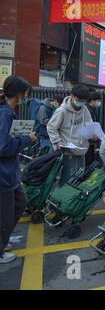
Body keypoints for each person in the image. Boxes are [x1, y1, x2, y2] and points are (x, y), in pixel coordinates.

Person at [0, 75, 38, 264]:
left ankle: (4, 239)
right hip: (3, 175)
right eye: (25, 93)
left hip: (10, 174)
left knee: (20, 203)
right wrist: (26, 139)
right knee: (5, 215)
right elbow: (3, 146)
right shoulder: (5, 113)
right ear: (19, 93)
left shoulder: (8, 111)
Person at [47, 84, 93, 186]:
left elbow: (89, 125)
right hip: (67, 151)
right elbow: (51, 127)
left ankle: (72, 201)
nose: (81, 103)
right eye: (79, 100)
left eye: (83, 101)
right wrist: (57, 142)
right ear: (72, 96)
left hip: (81, 150)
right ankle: (62, 200)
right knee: (67, 180)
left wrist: (92, 133)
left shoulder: (84, 110)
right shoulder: (62, 111)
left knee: (78, 180)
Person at [85, 90, 102, 167]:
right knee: (88, 162)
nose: (99, 103)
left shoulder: (93, 110)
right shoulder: (88, 111)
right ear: (92, 101)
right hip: (88, 142)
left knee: (90, 162)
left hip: (91, 141)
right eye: (98, 101)